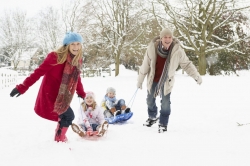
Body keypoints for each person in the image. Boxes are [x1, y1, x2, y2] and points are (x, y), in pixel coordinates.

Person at [9, 32, 86, 142]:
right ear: (66, 45)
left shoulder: (76, 60)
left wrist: (81, 92)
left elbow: (76, 78)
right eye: (72, 44)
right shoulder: (55, 57)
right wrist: (22, 87)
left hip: (62, 95)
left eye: (78, 44)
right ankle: (59, 138)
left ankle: (59, 134)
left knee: (65, 116)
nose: (76, 47)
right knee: (69, 116)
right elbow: (38, 73)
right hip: (50, 94)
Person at [137, 28, 202, 133]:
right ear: (161, 38)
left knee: (165, 103)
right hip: (153, 79)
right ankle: (152, 117)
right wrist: (140, 81)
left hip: (167, 81)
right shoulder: (152, 48)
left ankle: (163, 123)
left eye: (170, 37)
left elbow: (187, 64)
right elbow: (145, 66)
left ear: (172, 38)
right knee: (149, 100)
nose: (167, 39)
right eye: (165, 37)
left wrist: (196, 76)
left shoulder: (177, 50)